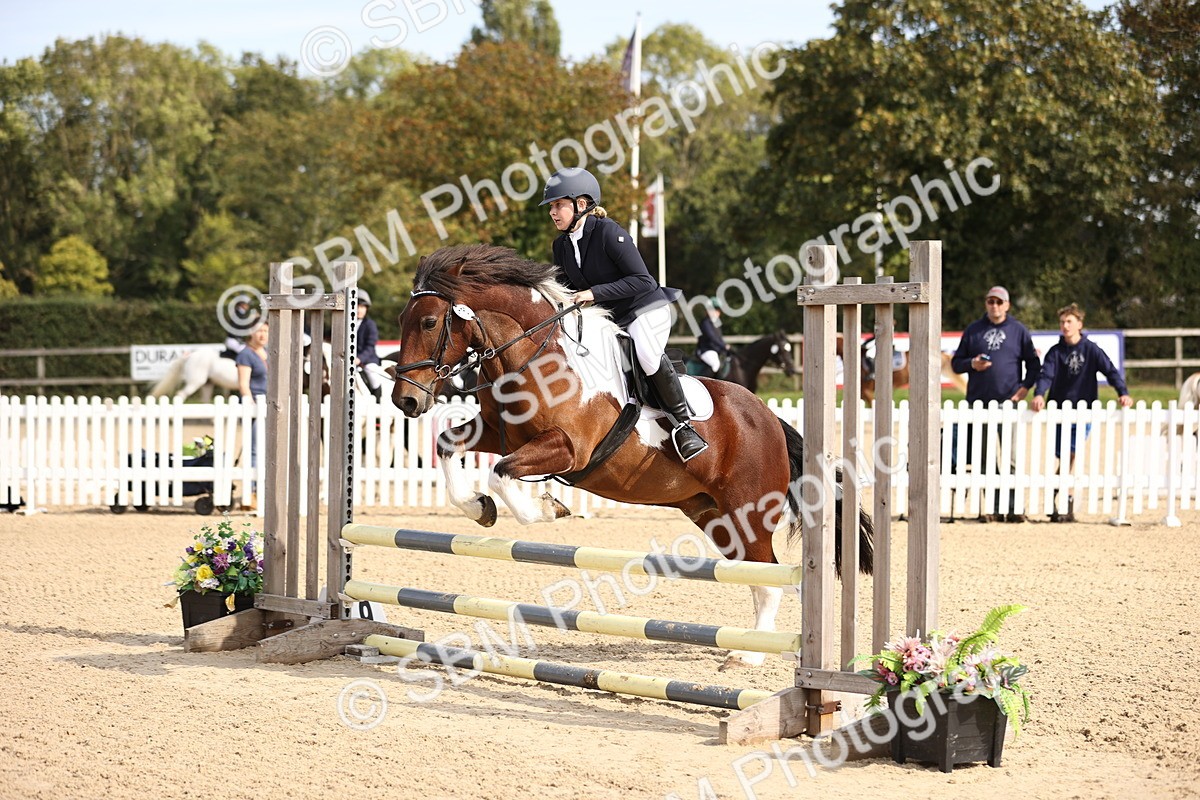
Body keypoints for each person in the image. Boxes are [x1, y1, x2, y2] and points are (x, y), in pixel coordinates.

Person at [541, 167, 708, 461]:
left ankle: (684, 425)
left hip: (646, 309)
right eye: (551, 207)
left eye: (558, 205)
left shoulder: (609, 233)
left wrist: (592, 293)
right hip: (612, 318)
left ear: (581, 204)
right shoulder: (562, 246)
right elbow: (565, 289)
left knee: (645, 352)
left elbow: (643, 280)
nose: (553, 212)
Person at [1030, 303, 1133, 522]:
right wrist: (1039, 394)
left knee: (1070, 454)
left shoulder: (1092, 349)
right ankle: (1060, 499)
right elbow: (1045, 375)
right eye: (1062, 322)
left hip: (1083, 411)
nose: (1065, 326)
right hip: (1059, 411)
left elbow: (1110, 371)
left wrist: (1122, 392)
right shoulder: (1055, 352)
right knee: (1064, 456)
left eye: (1069, 321)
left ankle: (1059, 498)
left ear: (1079, 324)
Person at [951, 286, 1041, 522]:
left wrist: (1025, 388)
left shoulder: (1018, 330)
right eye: (991, 301)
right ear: (986, 304)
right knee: (983, 458)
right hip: (978, 404)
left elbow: (1033, 363)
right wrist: (972, 363)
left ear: (1007, 305)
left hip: (1007, 403)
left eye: (999, 302)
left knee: (1009, 458)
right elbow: (956, 364)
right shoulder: (974, 330)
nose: (995, 306)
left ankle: (1012, 509)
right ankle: (989, 507)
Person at [236, 317, 268, 508]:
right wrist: (251, 405)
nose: (262, 334)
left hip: (270, 406)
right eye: (259, 331)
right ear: (250, 333)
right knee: (254, 449)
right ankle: (251, 492)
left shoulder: (268, 353)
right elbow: (243, 384)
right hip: (255, 404)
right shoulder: (245, 355)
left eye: (265, 330)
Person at [355, 289, 383, 400]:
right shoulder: (345, 324)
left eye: (362, 307)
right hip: (350, 361)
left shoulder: (370, 324)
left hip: (367, 360)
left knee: (373, 376)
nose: (359, 310)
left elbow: (370, 346)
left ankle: (377, 400)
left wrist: (359, 359)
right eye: (357, 306)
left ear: (366, 309)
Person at [695, 299, 730, 378]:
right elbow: (712, 338)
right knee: (715, 364)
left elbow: (719, 338)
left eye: (718, 310)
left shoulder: (716, 324)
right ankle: (704, 383)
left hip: (715, 350)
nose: (717, 312)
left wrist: (725, 348)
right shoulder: (705, 323)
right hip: (706, 350)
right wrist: (724, 346)